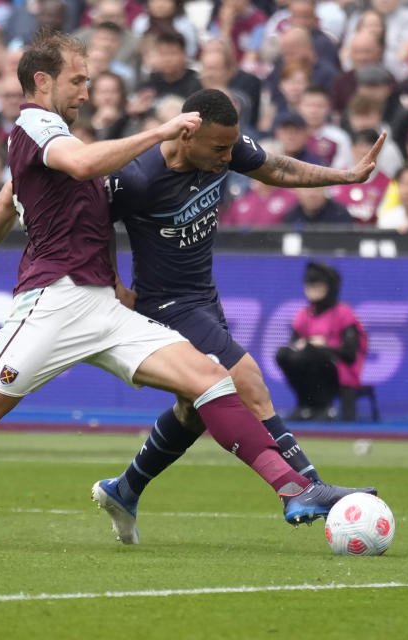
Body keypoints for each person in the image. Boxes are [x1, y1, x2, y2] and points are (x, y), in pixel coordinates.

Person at [0, 33, 364, 545]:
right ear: (42, 81)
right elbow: (81, 166)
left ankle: (293, 489)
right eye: (78, 80)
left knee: (212, 380)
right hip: (52, 301)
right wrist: (162, 129)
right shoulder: (35, 125)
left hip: (103, 306)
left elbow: (13, 206)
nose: (87, 91)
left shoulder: (63, 140)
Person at [93, 88, 383, 543]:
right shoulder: (139, 176)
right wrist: (113, 284)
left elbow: (278, 167)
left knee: (193, 411)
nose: (229, 157)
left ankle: (125, 489)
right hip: (166, 305)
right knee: (247, 380)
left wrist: (344, 176)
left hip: (204, 298)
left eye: (233, 147)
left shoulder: (225, 149)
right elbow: (95, 222)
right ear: (187, 134)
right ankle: (305, 486)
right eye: (220, 149)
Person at [276, 261, 367, 421]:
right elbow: (293, 347)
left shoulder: (343, 313)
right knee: (284, 355)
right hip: (308, 367)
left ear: (329, 288)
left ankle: (325, 406)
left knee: (313, 353)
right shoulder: (303, 315)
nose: (313, 291)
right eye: (310, 286)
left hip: (339, 369)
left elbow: (351, 353)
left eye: (319, 287)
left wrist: (325, 346)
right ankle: (305, 405)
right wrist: (301, 345)